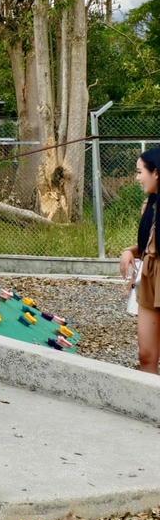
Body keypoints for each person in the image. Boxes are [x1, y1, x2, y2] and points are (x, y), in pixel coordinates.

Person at [118, 146, 160, 373]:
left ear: (156, 173)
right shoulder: (150, 205)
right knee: (146, 355)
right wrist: (130, 251)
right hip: (149, 277)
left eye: (139, 172)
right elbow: (149, 245)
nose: (137, 178)